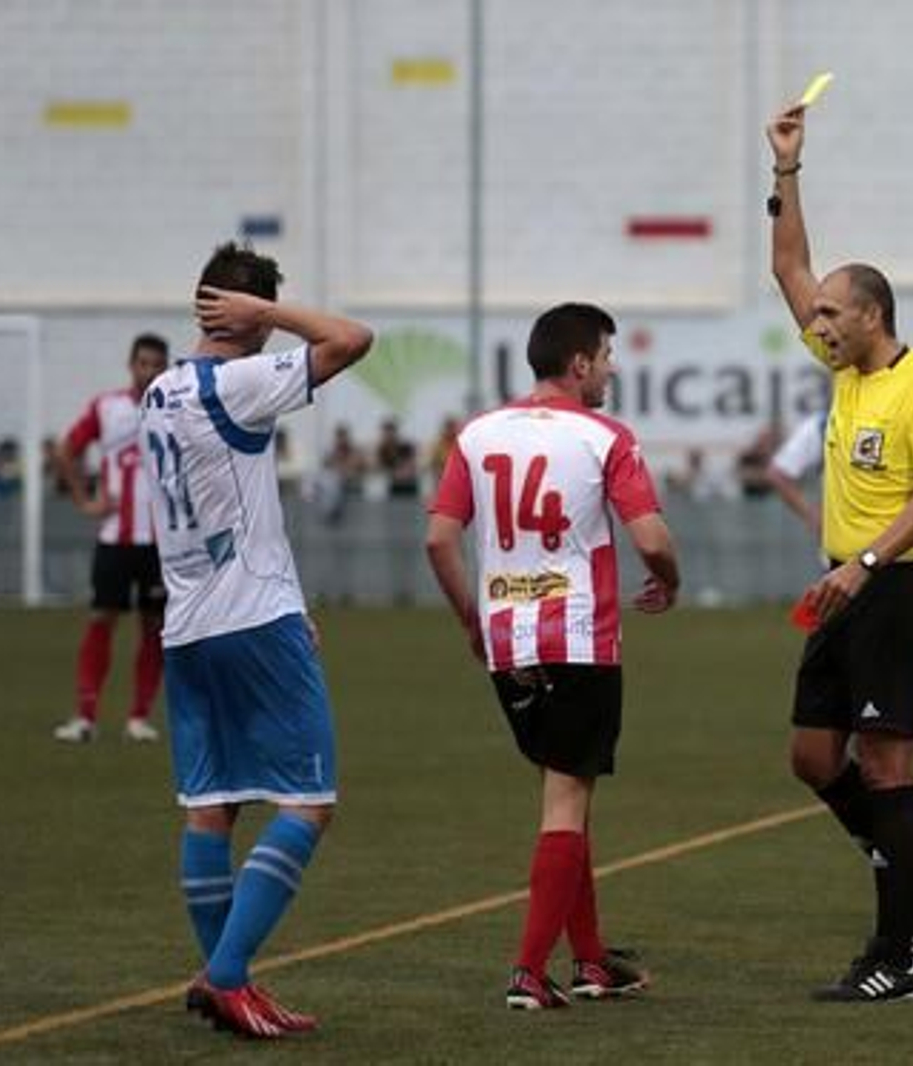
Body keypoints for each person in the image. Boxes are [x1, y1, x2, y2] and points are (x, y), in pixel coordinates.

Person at [768, 101, 913, 1003]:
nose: (816, 321)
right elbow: (786, 263)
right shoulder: (844, 369)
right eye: (816, 314)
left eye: (831, 312)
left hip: (891, 587)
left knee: (889, 765)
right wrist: (787, 168)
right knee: (815, 758)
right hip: (842, 586)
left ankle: (900, 952)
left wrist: (863, 564)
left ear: (872, 314)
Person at [142, 242, 373, 1038]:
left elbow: (233, 505)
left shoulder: (160, 390)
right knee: (309, 803)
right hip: (251, 623)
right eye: (261, 317)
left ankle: (223, 984)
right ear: (241, 312)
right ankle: (230, 974)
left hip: (188, 625)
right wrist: (270, 314)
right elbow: (350, 339)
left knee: (212, 807)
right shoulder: (237, 382)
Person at [426, 303, 681, 1011]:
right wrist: (669, 580)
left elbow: (440, 540)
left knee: (566, 796)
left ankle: (592, 962)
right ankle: (529, 973)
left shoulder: (476, 435)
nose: (610, 369)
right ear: (579, 365)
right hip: (576, 637)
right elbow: (653, 539)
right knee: (568, 800)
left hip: (510, 639)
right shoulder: (606, 437)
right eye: (605, 356)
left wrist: (473, 621)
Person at [51, 333, 172, 744]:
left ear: (165, 367)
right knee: (102, 618)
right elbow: (67, 449)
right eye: (143, 363)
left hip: (162, 542)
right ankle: (85, 716)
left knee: (155, 628)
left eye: (157, 364)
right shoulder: (108, 407)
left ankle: (139, 717)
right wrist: (84, 499)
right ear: (131, 364)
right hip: (114, 539)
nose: (149, 371)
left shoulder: (177, 406)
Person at [767, 412, 826, 533]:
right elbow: (778, 474)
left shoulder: (820, 425)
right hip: (845, 534)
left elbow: (777, 474)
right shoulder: (822, 426)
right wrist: (811, 514)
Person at [376, 418, 419, 498]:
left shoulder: (405, 446)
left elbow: (411, 464)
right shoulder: (382, 450)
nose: (388, 435)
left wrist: (403, 471)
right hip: (392, 484)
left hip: (408, 483)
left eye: (390, 432)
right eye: (386, 432)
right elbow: (379, 466)